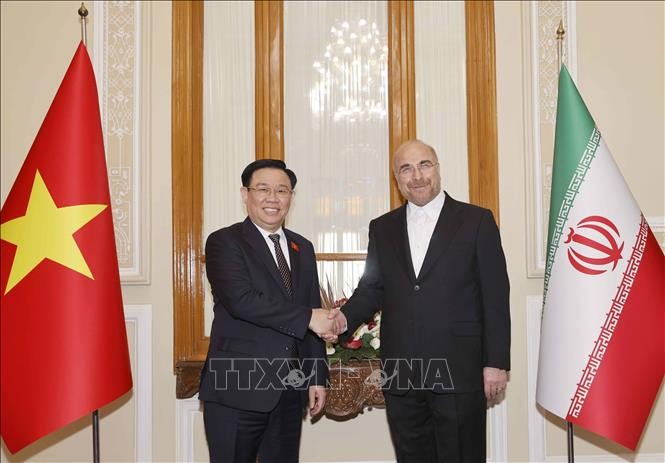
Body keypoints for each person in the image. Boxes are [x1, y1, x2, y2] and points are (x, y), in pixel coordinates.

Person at [331, 140, 511, 462]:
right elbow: (372, 288)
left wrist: (495, 362)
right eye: (406, 169)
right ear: (396, 179)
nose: (416, 176)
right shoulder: (382, 228)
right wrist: (342, 320)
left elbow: (495, 296)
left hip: (459, 370)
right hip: (402, 374)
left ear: (438, 168)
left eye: (424, 165)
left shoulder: (477, 221)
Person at [199, 159, 335, 463]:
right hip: (236, 389)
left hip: (289, 392)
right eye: (263, 189)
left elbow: (311, 308)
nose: (273, 198)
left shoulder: (303, 247)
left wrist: (316, 376)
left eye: (282, 190)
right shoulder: (224, 241)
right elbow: (242, 300)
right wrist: (309, 317)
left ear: (291, 197)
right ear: (245, 194)